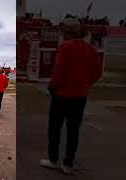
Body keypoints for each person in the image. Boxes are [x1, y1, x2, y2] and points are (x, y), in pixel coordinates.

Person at [39, 17, 103, 175]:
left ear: (66, 33)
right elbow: (97, 73)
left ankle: (53, 160)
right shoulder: (91, 49)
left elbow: (59, 72)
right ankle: (68, 164)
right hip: (80, 96)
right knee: (73, 131)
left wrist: (52, 86)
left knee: (54, 129)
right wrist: (85, 85)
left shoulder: (65, 47)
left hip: (62, 95)